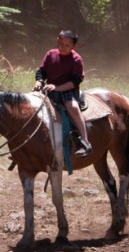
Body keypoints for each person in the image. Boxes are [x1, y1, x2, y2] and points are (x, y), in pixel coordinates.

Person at [33, 30, 92, 158]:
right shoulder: (50, 54)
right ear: (57, 41)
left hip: (68, 90)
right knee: (31, 105)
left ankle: (85, 141)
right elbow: (42, 71)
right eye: (60, 44)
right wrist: (39, 81)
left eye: (67, 46)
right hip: (49, 88)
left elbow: (75, 81)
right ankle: (28, 143)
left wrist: (57, 88)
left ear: (73, 47)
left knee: (73, 108)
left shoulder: (76, 60)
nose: (62, 48)